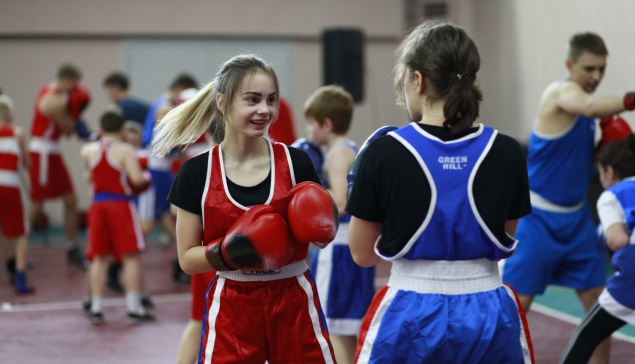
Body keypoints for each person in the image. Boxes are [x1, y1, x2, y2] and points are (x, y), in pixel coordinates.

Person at [346, 21, 534, 363]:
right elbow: (505, 239)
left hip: (409, 308)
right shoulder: (507, 151)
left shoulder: (384, 153)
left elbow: (362, 254)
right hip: (489, 308)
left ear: (417, 80)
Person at [154, 54, 338, 363]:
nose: (264, 110)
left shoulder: (297, 164)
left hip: (293, 297)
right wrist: (229, 252)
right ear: (223, 103)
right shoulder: (197, 173)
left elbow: (319, 235)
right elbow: (187, 259)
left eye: (271, 100)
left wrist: (323, 225)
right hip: (233, 304)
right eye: (252, 100)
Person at [501, 32, 635, 363]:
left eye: (601, 69)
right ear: (570, 64)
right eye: (589, 68)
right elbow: (587, 104)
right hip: (539, 218)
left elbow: (577, 161)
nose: (596, 76)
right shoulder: (559, 93)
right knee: (518, 303)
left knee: (597, 299)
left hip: (576, 220)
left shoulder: (590, 119)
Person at [303, 85, 374, 364]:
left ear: (327, 124)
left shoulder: (336, 155)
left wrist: (307, 193)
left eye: (312, 123)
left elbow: (341, 202)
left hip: (338, 250)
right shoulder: (353, 148)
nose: (308, 131)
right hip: (351, 247)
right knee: (349, 327)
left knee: (333, 326)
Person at [559, 135, 635, 363]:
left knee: (587, 335)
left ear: (609, 172)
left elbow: (618, 240)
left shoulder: (613, 194)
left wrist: (605, 238)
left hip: (632, 278)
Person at [80, 111, 154, 324]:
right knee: (131, 256)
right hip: (120, 204)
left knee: (99, 258)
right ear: (122, 130)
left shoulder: (90, 150)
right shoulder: (125, 150)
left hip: (97, 205)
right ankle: (134, 308)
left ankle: (95, 307)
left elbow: (88, 176)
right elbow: (137, 179)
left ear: (101, 129)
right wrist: (147, 177)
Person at [27, 62, 91, 267]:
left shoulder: (60, 96)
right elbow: (67, 130)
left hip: (52, 151)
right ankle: (16, 249)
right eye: (73, 85)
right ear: (66, 80)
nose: (75, 89)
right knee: (38, 202)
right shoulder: (51, 99)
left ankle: (71, 246)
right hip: (42, 152)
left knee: (71, 199)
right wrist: (75, 114)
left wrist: (73, 113)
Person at [140, 74, 198, 284]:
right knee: (148, 222)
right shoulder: (165, 108)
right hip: (155, 168)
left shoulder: (163, 105)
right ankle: (118, 260)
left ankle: (179, 262)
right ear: (179, 89)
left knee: (167, 217)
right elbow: (176, 140)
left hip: (162, 168)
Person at [0, 93, 34, 294]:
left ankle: (11, 266)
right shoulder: (17, 133)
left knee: (4, 227)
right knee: (21, 232)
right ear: (11, 116)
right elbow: (28, 163)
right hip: (10, 184)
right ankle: (20, 277)